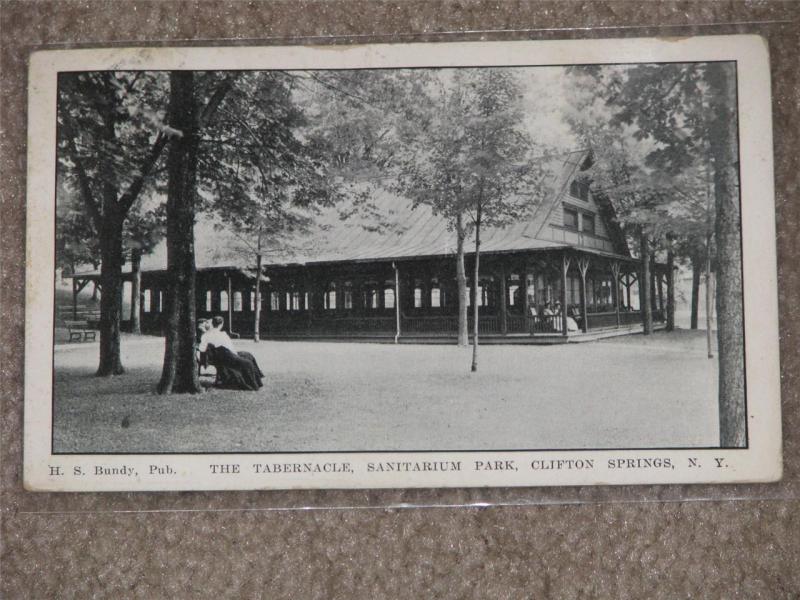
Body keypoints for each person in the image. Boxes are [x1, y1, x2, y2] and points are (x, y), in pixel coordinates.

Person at [199, 316, 264, 390]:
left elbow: (202, 348)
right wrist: (237, 356)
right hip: (227, 357)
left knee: (248, 355)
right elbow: (231, 348)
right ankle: (254, 384)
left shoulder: (206, 335)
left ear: (212, 324)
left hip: (217, 357)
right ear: (221, 324)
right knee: (247, 362)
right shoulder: (223, 334)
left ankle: (258, 375)